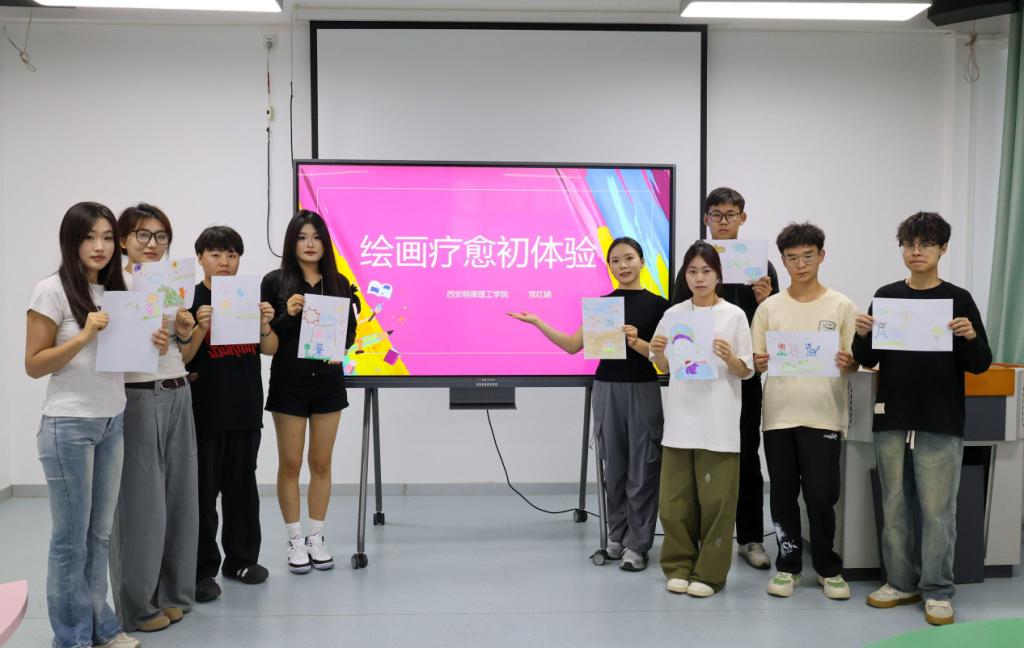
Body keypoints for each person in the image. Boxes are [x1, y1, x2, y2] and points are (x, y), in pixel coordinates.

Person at [26, 202, 165, 648]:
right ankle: (71, 638)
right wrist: (85, 335)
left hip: (112, 420)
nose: (100, 246)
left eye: (107, 237)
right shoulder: (51, 290)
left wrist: (155, 342)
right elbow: (34, 364)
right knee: (71, 540)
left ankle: (101, 628)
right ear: (72, 240)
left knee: (99, 535)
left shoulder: (120, 291)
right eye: (89, 237)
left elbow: (123, 361)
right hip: (68, 425)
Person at [852, 212, 992, 626]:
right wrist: (862, 333)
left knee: (937, 510)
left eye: (926, 244)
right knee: (894, 505)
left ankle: (937, 589)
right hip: (893, 415)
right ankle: (900, 582)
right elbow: (868, 358)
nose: (916, 252)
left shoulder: (958, 299)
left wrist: (970, 336)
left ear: (943, 249)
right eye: (909, 244)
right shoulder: (887, 296)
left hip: (939, 417)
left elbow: (980, 363)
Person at [509, 237, 669, 571]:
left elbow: (664, 360)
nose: (623, 266)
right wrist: (538, 322)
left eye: (629, 258)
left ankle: (638, 546)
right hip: (606, 389)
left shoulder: (660, 306)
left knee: (644, 470)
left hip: (643, 390)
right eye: (615, 260)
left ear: (642, 261)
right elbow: (572, 345)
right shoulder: (602, 307)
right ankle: (616, 539)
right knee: (615, 470)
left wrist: (636, 340)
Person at [750, 222, 858, 600]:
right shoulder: (769, 308)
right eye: (792, 258)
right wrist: (758, 362)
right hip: (779, 415)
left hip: (824, 414)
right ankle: (788, 566)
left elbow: (854, 362)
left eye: (807, 256)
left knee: (821, 496)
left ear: (821, 256)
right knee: (782, 494)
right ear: (782, 261)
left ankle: (828, 568)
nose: (800, 264)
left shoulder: (842, 305)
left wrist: (849, 362)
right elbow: (755, 360)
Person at [109, 203, 199, 633]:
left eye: (161, 236)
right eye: (142, 235)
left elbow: (182, 348)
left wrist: (183, 332)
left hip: (178, 388)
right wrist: (145, 341)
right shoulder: (113, 285)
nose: (152, 244)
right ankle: (137, 607)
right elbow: (107, 353)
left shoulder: (174, 285)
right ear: (123, 240)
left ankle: (173, 594)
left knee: (181, 499)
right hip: (138, 396)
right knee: (142, 507)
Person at [650, 241, 753, 597]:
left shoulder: (734, 315)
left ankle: (710, 573)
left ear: (718, 275)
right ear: (685, 276)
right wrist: (658, 352)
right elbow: (664, 366)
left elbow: (747, 370)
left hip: (718, 421)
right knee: (673, 502)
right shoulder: (674, 314)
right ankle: (678, 565)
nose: (699, 278)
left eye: (706, 271)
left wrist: (730, 358)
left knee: (717, 503)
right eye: (692, 271)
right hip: (681, 420)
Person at [179, 226, 276, 602]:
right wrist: (199, 328)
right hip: (204, 410)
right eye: (216, 254)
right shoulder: (188, 300)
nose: (224, 262)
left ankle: (241, 560)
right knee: (202, 495)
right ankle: (202, 571)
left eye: (232, 255)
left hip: (245, 407)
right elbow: (182, 358)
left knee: (242, 490)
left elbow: (269, 348)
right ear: (200, 257)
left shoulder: (248, 297)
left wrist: (264, 324)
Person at [262, 210, 360, 574]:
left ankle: (316, 536)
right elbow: (268, 340)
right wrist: (287, 314)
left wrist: (341, 349)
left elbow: (349, 331)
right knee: (290, 464)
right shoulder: (275, 282)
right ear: (292, 242)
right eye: (302, 237)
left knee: (321, 463)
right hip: (289, 383)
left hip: (328, 384)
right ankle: (294, 538)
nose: (310, 244)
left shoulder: (339, 282)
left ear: (325, 243)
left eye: (316, 237)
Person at [703, 187, 779, 569]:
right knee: (704, 456)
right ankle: (706, 537)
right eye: (716, 215)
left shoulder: (761, 265)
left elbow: (777, 322)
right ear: (706, 219)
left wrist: (766, 301)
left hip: (746, 376)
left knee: (747, 456)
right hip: (704, 375)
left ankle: (750, 539)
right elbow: (680, 312)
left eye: (730, 214)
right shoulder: (698, 261)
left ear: (742, 218)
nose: (723, 221)